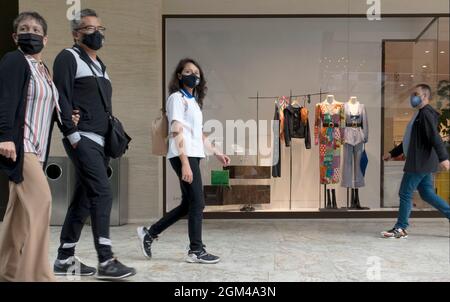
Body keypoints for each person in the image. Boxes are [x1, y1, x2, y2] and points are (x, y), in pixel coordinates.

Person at [52, 8, 135, 280]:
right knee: (103, 192)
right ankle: (107, 260)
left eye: (100, 29)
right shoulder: (68, 57)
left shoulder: (100, 65)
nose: (96, 33)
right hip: (83, 138)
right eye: (89, 29)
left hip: (102, 142)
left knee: (85, 198)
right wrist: (72, 135)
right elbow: (61, 97)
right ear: (76, 34)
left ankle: (65, 257)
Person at [137, 58, 231, 264]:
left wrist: (216, 152)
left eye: (196, 73)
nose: (193, 75)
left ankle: (149, 234)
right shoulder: (176, 99)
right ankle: (196, 250)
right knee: (198, 202)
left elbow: (198, 134)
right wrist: (185, 162)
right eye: (188, 71)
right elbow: (176, 129)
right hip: (183, 155)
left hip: (194, 155)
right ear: (179, 76)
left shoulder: (194, 103)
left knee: (188, 205)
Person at [0, 11, 60, 282]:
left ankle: (8, 271)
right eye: (24, 29)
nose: (30, 33)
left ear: (45, 39)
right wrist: (4, 136)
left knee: (19, 213)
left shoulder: (44, 71)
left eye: (36, 30)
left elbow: (48, 107)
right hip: (20, 145)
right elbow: (5, 98)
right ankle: (37, 276)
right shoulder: (15, 60)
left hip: (37, 149)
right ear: (15, 37)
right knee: (42, 202)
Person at [381, 84, 450, 239]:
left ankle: (401, 228)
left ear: (425, 96)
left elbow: (434, 136)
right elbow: (410, 140)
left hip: (420, 162)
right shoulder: (419, 114)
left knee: (405, 192)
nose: (413, 97)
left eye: (416, 94)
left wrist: (444, 157)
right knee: (427, 194)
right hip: (421, 161)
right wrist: (392, 153)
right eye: (413, 94)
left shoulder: (425, 114)